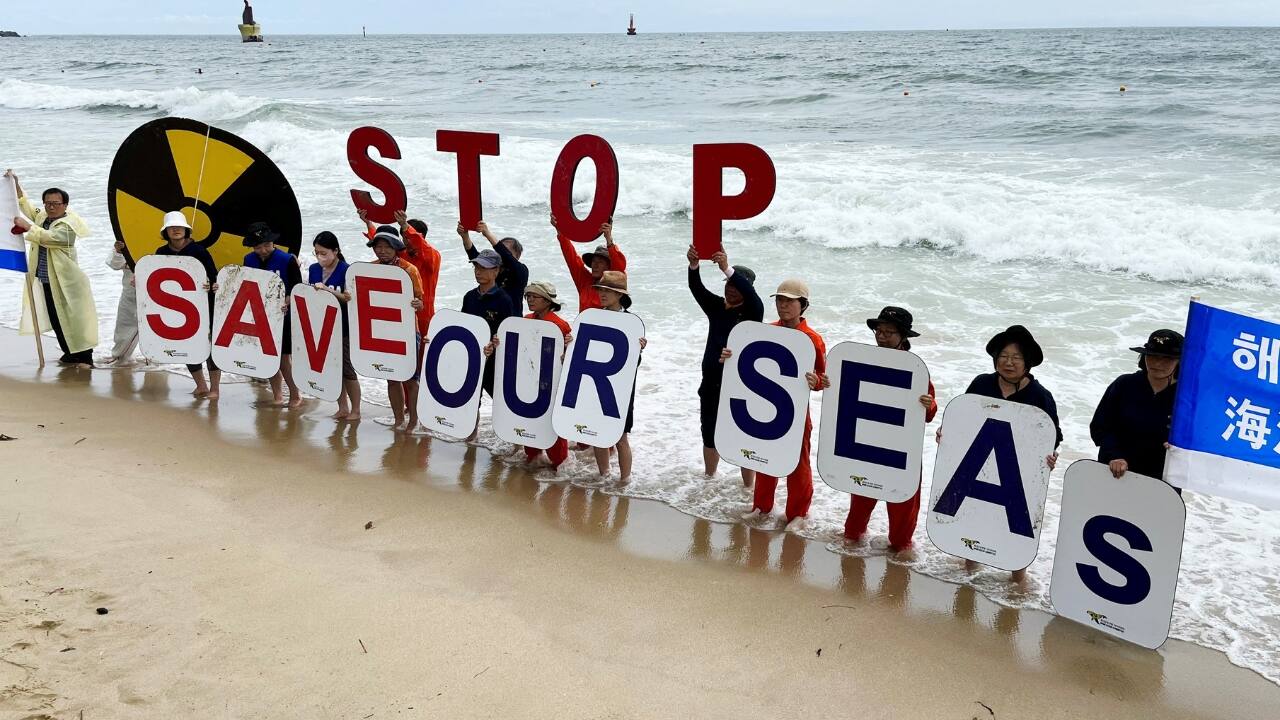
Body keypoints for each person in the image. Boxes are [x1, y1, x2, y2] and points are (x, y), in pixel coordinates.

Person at [958, 324, 1061, 581]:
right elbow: (963, 418)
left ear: (1027, 363)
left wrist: (1050, 455)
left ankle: (1017, 581)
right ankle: (970, 569)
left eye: (1016, 357)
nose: (1009, 363)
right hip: (980, 463)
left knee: (1017, 522)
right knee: (976, 513)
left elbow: (1053, 434)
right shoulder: (982, 383)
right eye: (1003, 356)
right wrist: (947, 436)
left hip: (1018, 469)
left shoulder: (1040, 396)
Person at [731, 279, 826, 532]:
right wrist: (729, 357)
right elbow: (748, 363)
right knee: (765, 457)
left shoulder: (812, 339)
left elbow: (822, 381)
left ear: (803, 305)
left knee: (798, 462)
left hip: (796, 411)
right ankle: (761, 506)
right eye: (779, 300)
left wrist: (816, 382)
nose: (782, 305)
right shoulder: (767, 330)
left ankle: (798, 513)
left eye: (789, 301)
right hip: (766, 405)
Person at [841, 307, 937, 556]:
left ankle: (903, 549)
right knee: (858, 511)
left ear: (903, 336)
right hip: (867, 441)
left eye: (889, 332)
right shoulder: (865, 359)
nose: (881, 336)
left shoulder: (916, 370)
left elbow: (927, 415)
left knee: (902, 516)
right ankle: (852, 542)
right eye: (878, 330)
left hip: (901, 448)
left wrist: (930, 404)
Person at [687, 244, 763, 488]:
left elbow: (753, 299)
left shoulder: (752, 312)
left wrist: (727, 269)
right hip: (710, 384)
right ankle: (709, 478)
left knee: (744, 437)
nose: (730, 290)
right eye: (727, 285)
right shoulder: (717, 307)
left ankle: (748, 488)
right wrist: (694, 265)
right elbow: (696, 288)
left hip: (740, 386)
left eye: (735, 286)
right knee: (708, 433)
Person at [8, 170, 97, 367]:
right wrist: (14, 183)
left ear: (65, 205)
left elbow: (49, 238)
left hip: (69, 281)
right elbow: (27, 206)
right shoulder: (43, 218)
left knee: (76, 320)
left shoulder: (67, 225)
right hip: (47, 279)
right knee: (57, 319)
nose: (51, 206)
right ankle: (69, 353)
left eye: (56, 203)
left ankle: (85, 357)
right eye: (47, 203)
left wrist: (27, 227)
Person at [1090, 329, 1183, 488]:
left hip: (1160, 484)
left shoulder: (1186, 399)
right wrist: (1115, 456)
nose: (1157, 363)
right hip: (1114, 474)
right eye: (1152, 355)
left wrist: (1180, 448)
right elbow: (1100, 427)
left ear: (1180, 361)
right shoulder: (1124, 384)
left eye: (1166, 359)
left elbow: (1198, 444)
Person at [153, 211, 221, 398]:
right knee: (187, 345)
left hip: (204, 305)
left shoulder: (199, 251)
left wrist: (212, 283)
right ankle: (201, 386)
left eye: (179, 226)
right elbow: (155, 277)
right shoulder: (161, 252)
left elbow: (214, 276)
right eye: (171, 227)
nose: (176, 230)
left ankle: (215, 389)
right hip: (175, 307)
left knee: (208, 346)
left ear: (186, 229)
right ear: (165, 231)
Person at [366, 225, 425, 431]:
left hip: (407, 331)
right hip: (383, 329)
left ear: (395, 247)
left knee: (410, 378)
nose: (381, 250)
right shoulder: (370, 269)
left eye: (386, 246)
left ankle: (414, 421)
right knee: (391, 377)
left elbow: (420, 301)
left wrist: (418, 304)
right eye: (377, 246)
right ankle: (399, 419)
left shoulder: (409, 270)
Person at [590, 271, 646, 482]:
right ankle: (603, 475)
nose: (602, 294)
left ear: (620, 295)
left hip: (621, 387)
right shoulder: (593, 317)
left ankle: (625, 481)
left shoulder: (631, 323)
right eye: (601, 290)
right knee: (596, 431)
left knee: (620, 436)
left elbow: (634, 364)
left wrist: (639, 351)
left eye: (608, 291)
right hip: (595, 380)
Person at [243, 222, 304, 408]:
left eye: (266, 245)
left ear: (273, 243)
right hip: (261, 316)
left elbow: (297, 287)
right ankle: (277, 395)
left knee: (285, 359)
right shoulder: (248, 260)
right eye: (258, 247)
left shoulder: (287, 260)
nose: (263, 250)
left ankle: (295, 395)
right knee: (267, 357)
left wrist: (287, 299)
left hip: (284, 316)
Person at [460, 247, 516, 441]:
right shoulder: (469, 296)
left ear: (496, 271)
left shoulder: (504, 300)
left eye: (483, 268)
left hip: (495, 360)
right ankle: (470, 437)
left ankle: (515, 440)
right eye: (476, 266)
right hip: (473, 356)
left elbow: (510, 332)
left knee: (502, 401)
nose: (478, 271)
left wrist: (496, 344)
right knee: (471, 398)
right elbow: (462, 327)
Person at [360, 208, 440, 337]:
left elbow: (419, 244)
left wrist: (404, 226)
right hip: (398, 313)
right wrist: (368, 223)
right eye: (404, 238)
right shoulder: (401, 253)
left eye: (410, 237)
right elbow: (383, 244)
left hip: (423, 313)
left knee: (422, 353)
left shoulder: (433, 257)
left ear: (422, 238)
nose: (407, 241)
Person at [308, 231, 362, 421]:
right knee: (333, 367)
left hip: (345, 327)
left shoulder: (347, 270)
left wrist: (328, 290)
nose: (320, 257)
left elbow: (351, 299)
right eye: (316, 253)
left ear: (335, 251)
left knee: (347, 369)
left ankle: (356, 410)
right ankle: (342, 407)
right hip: (323, 326)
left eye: (324, 253)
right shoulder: (314, 269)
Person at [551, 214, 626, 311]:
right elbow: (571, 256)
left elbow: (620, 266)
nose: (595, 265)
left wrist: (609, 239)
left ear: (609, 267)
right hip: (585, 325)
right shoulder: (584, 281)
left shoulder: (615, 284)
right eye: (593, 261)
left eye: (600, 262)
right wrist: (560, 229)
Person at [458, 220, 528, 313]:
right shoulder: (492, 267)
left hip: (512, 322)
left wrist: (487, 233)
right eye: (499, 252)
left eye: (506, 252)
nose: (501, 254)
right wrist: (465, 236)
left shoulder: (521, 271)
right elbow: (474, 255)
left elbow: (506, 256)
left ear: (518, 255)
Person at [105, 239, 140, 366]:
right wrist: (119, 251)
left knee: (155, 327)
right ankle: (120, 357)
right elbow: (114, 264)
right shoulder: (128, 237)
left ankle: (158, 362)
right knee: (124, 322)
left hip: (158, 290)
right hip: (130, 290)